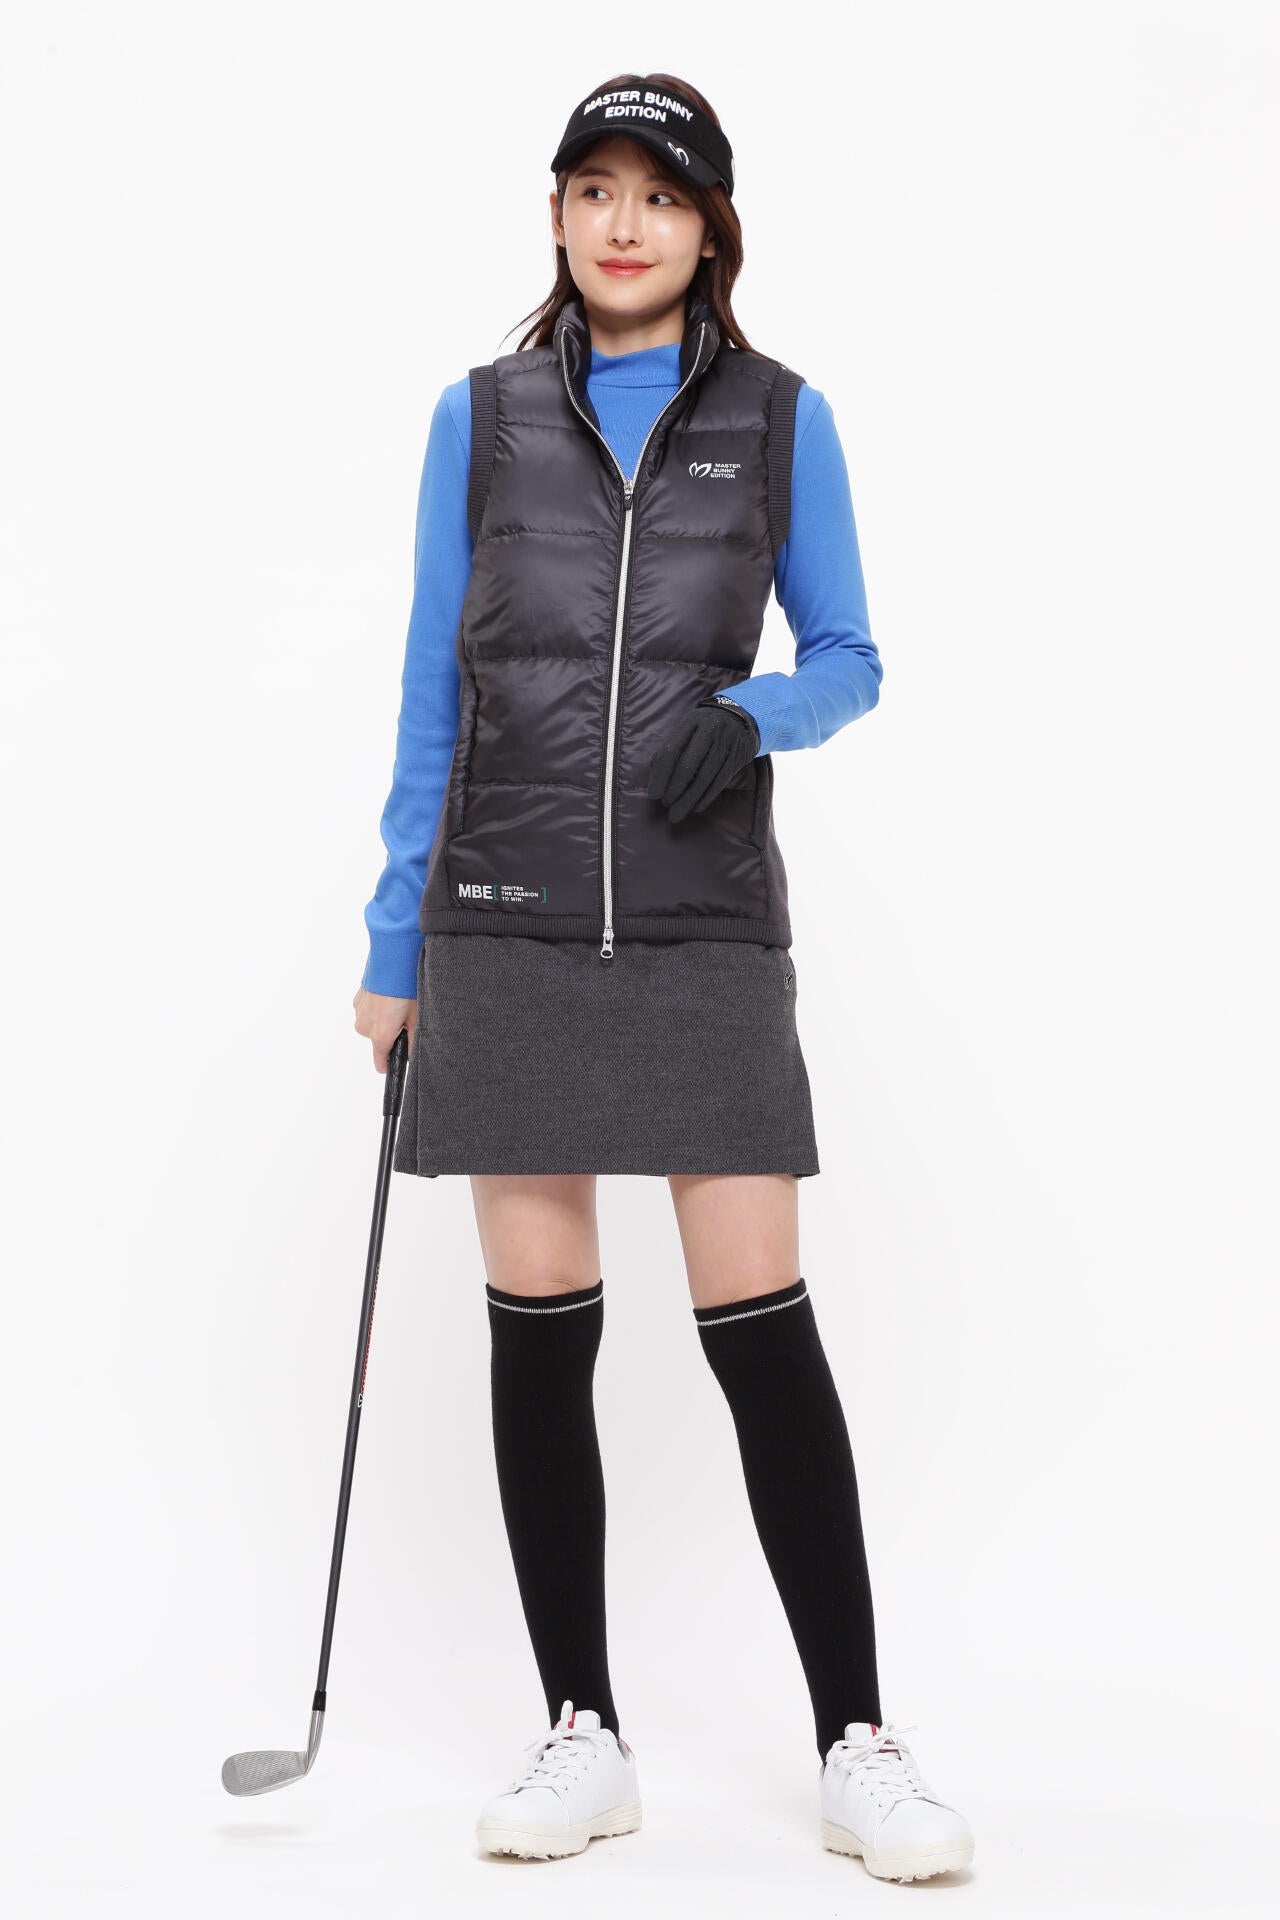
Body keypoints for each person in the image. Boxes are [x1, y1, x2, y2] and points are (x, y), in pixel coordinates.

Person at [352, 71, 975, 1882]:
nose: (624, 224)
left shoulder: (782, 420)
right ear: (556, 216)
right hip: (503, 916)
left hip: (702, 924)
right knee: (540, 1330)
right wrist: (394, 945)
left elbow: (852, 654)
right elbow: (433, 686)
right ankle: (583, 1731)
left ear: (711, 231)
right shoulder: (477, 420)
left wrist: (758, 712)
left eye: (661, 195)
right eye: (594, 190)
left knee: (761, 1330)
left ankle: (857, 1741)